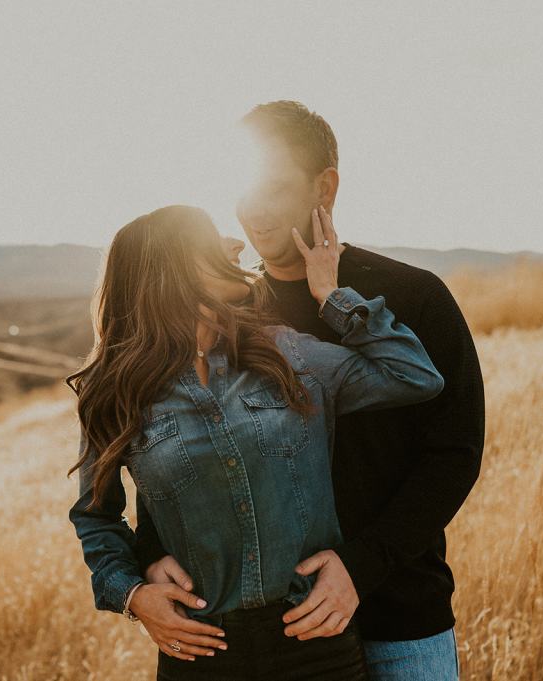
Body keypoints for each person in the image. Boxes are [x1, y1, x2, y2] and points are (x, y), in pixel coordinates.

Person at [132, 101, 485, 680]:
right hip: (278, 643)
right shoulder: (225, 314)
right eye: (244, 189)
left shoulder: (413, 296)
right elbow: (171, 457)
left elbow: (454, 455)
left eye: (273, 187)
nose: (254, 210)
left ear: (326, 186)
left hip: (398, 620)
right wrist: (147, 563)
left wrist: (359, 569)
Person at [67, 203, 445, 680]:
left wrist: (332, 296)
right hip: (199, 654)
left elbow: (414, 376)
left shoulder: (285, 353)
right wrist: (133, 595)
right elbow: (94, 516)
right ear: (171, 269)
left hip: (316, 645)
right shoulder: (112, 394)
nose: (236, 244)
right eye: (211, 238)